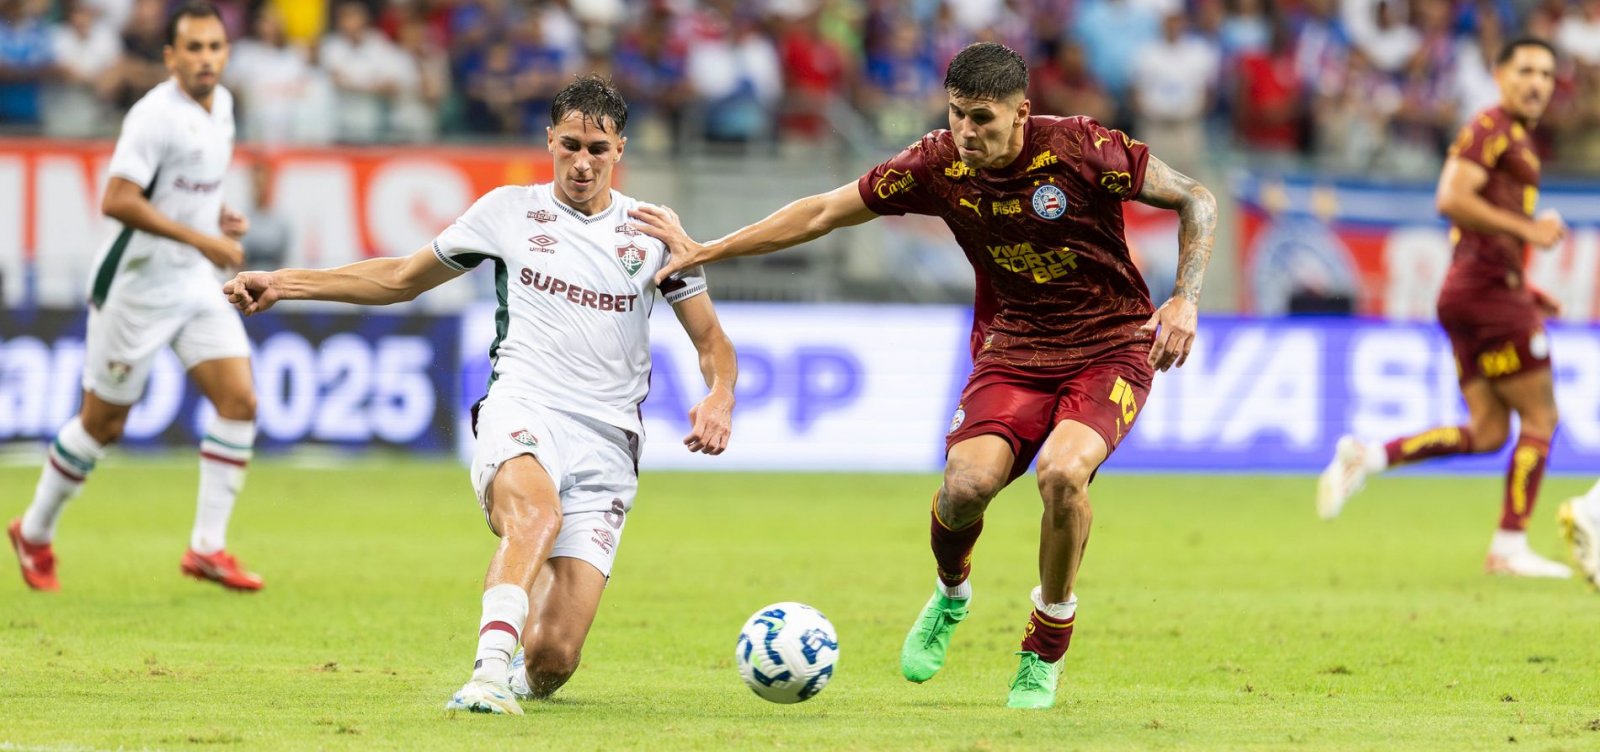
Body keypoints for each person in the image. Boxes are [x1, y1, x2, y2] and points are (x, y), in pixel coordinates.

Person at [629, 42, 1217, 709]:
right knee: (966, 487)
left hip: (1110, 346)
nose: (967, 132)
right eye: (958, 114)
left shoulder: (1082, 147)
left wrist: (1185, 297)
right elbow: (824, 211)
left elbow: (1196, 197)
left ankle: (1045, 642)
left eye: (984, 119)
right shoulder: (937, 164)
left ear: (1022, 113)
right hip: (1014, 349)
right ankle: (950, 591)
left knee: (1062, 474)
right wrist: (712, 249)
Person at [222, 75, 737, 715]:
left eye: (597, 150)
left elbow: (712, 339)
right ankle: (487, 675)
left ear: (620, 151)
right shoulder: (507, 212)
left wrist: (720, 395)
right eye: (570, 145)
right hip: (524, 406)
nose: (582, 163)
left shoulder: (655, 234)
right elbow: (401, 278)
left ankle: (521, 670)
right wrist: (286, 283)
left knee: (554, 659)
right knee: (535, 516)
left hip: (608, 441)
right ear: (549, 140)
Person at [8, 2, 262, 593]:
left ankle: (207, 547)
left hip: (192, 281)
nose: (205, 59)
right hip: (136, 286)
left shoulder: (222, 106)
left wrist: (213, 216)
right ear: (170, 57)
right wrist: (204, 237)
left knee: (240, 400)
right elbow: (117, 199)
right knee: (104, 423)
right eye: (193, 49)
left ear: (226, 53)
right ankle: (35, 531)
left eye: (214, 47)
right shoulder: (153, 117)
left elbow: (179, 188)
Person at [1318, 38, 1571, 579]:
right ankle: (1509, 545)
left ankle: (1370, 456)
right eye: (1525, 70)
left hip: (1476, 291)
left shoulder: (1516, 139)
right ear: (1499, 74)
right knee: (1542, 417)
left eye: (1547, 75)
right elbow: (1451, 198)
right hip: (1485, 295)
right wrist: (1530, 232)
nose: (1537, 83)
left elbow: (1479, 226)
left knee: (1488, 432)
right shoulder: (1492, 127)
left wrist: (1525, 287)